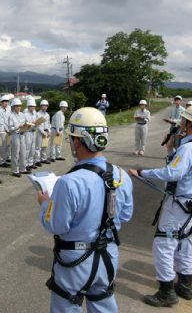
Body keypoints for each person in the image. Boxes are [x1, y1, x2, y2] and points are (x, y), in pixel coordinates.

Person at [37, 107, 133, 312]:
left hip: (75, 260)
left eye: (72, 138)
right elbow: (125, 215)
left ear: (78, 141)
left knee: (66, 305)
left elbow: (56, 225)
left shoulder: (69, 182)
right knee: (103, 304)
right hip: (108, 255)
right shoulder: (121, 176)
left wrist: (45, 203)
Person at [128, 104, 192, 307]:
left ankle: (166, 293)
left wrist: (142, 173)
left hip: (178, 204)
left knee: (164, 245)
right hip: (191, 204)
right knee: (184, 241)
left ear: (190, 123)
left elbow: (172, 173)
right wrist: (170, 150)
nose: (181, 122)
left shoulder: (189, 147)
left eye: (184, 120)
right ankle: (184, 286)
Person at [8, 98, 28, 177]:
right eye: (16, 106)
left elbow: (25, 124)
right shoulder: (11, 116)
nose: (18, 107)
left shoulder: (22, 114)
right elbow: (10, 128)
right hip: (15, 135)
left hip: (22, 134)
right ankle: (15, 170)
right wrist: (18, 126)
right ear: (13, 107)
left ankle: (23, 168)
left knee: (23, 152)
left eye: (19, 106)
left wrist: (27, 126)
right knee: (15, 153)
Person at [35, 100, 51, 166]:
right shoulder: (37, 114)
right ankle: (37, 160)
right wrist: (42, 132)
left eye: (46, 105)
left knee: (44, 146)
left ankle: (43, 159)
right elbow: (37, 124)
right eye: (44, 105)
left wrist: (49, 131)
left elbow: (49, 123)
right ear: (41, 106)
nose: (45, 107)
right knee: (38, 147)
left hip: (46, 131)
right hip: (39, 132)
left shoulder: (47, 114)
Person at [24, 97, 38, 170]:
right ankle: (25, 164)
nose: (33, 108)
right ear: (28, 106)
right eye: (31, 106)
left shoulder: (34, 114)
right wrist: (31, 124)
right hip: (27, 133)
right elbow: (25, 124)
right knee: (27, 149)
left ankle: (31, 163)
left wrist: (36, 123)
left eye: (34, 106)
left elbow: (36, 122)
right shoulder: (25, 114)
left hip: (33, 132)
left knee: (32, 148)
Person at [0, 95, 11, 167]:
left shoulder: (9, 109)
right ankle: (1, 161)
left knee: (8, 145)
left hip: (9, 130)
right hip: (3, 130)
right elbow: (2, 121)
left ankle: (5, 158)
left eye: (7, 101)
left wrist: (10, 129)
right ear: (1, 103)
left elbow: (10, 119)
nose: (6, 103)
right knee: (3, 146)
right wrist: (7, 129)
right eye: (4, 102)